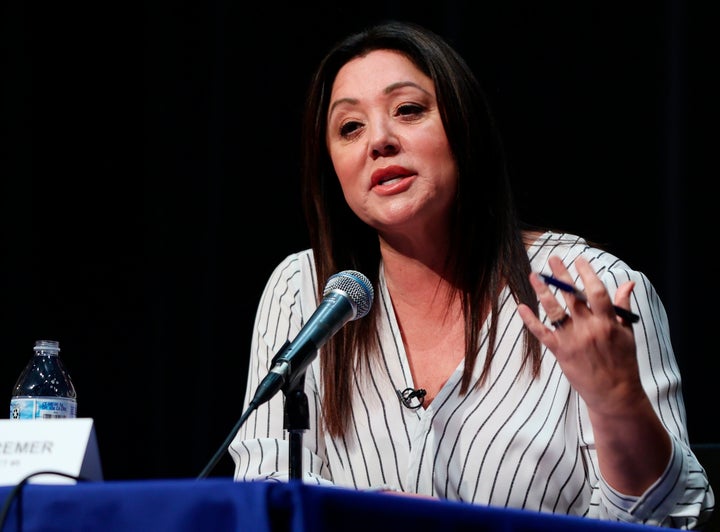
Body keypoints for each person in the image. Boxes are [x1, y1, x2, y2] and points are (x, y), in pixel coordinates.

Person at [229, 20, 714, 528]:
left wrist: (618, 405)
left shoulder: (588, 287)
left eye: (408, 110)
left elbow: (668, 520)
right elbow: (265, 490)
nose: (380, 141)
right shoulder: (305, 291)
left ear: (464, 126)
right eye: (350, 127)